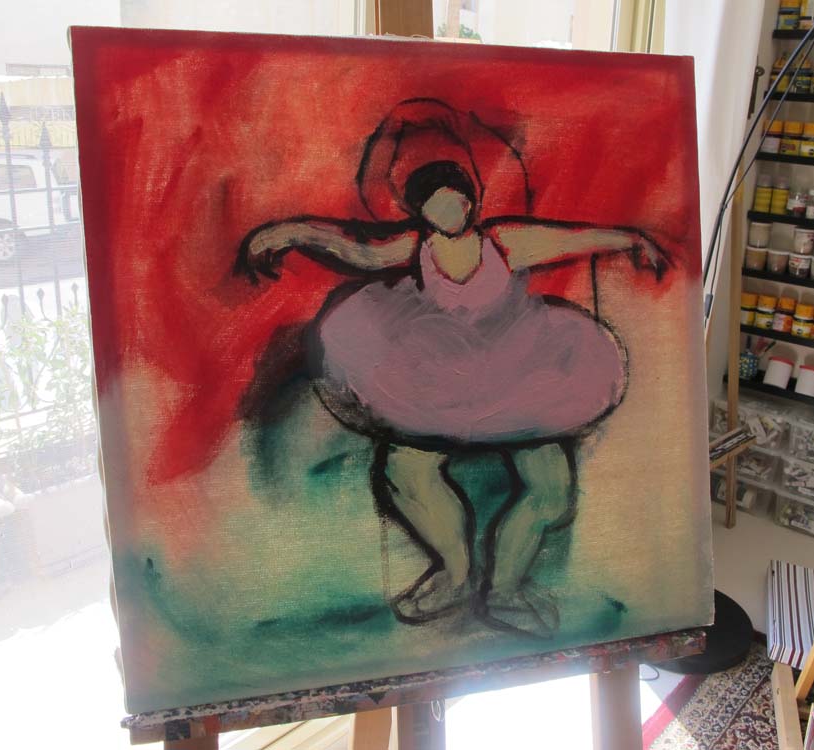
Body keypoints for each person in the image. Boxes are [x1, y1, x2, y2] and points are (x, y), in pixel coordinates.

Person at [236, 105, 670, 639]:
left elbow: (575, 240)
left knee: (552, 491)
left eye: (457, 199)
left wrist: (631, 239)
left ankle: (506, 587)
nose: (450, 209)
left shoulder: (503, 241)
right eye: (437, 203)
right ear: (421, 211)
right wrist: (285, 232)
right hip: (434, 372)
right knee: (406, 474)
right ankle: (455, 574)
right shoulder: (413, 246)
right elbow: (356, 249)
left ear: (470, 201)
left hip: (519, 368)